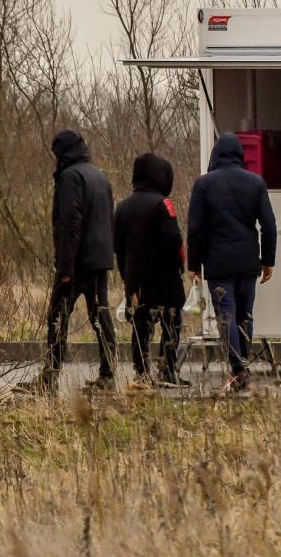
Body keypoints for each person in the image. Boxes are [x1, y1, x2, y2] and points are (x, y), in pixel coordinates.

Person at [19, 130, 117, 395]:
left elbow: (69, 223)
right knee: (101, 317)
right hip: (99, 260)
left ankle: (50, 377)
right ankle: (108, 375)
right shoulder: (99, 175)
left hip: (77, 262)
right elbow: (110, 218)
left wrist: (64, 268)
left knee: (57, 318)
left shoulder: (69, 177)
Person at [187, 133, 278, 391]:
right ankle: (243, 364)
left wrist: (193, 264)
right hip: (248, 261)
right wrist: (268, 260)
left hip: (217, 263)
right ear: (240, 155)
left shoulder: (204, 184)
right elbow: (269, 225)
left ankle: (238, 370)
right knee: (244, 316)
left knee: (226, 317)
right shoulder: (255, 182)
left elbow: (195, 228)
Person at [114, 153, 188, 388]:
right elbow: (174, 239)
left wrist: (126, 275)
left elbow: (118, 247)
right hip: (164, 278)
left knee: (140, 326)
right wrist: (181, 265)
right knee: (171, 322)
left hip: (136, 279)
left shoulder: (122, 207)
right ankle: (167, 370)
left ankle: (142, 373)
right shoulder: (162, 204)